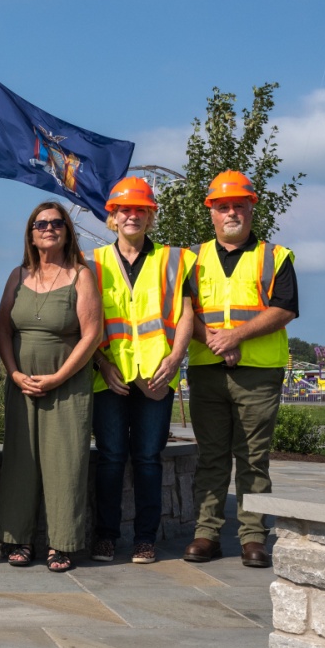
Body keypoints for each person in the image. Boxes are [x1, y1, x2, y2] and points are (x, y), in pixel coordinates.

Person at [182, 171, 297, 569]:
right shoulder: (190, 259)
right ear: (210, 211)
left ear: (252, 208)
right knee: (211, 456)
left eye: (238, 204)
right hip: (207, 368)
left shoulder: (275, 256)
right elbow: (182, 313)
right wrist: (215, 340)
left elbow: (284, 309)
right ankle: (206, 534)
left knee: (253, 458)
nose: (231, 211)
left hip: (258, 373)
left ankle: (252, 537)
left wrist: (236, 337)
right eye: (222, 205)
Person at [89, 177, 194, 565]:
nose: (131, 216)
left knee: (149, 458)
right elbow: (87, 320)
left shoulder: (174, 259)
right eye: (123, 210)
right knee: (112, 456)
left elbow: (186, 313)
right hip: (109, 375)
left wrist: (176, 358)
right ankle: (106, 536)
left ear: (150, 217)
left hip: (156, 375)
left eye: (139, 210)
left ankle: (145, 539)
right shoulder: (92, 262)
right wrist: (101, 361)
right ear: (111, 218)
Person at [0, 202, 101, 572]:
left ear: (67, 231)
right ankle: (18, 539)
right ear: (30, 233)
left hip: (67, 385)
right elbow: (4, 331)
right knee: (19, 463)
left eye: (56, 223)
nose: (48, 228)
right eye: (40, 224)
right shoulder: (17, 276)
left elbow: (91, 335)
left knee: (66, 464)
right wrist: (13, 372)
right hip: (22, 384)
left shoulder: (81, 276)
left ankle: (63, 544)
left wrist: (58, 377)